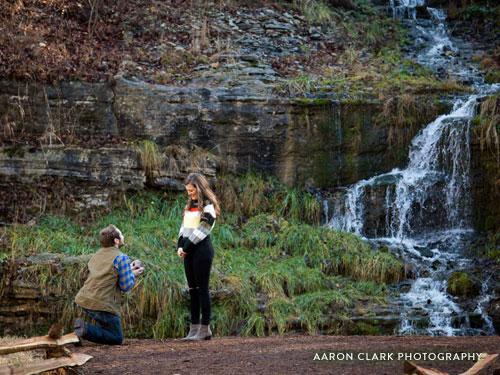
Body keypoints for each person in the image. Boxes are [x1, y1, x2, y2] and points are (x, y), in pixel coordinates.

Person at [73, 224, 144, 345]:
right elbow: (125, 286)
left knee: (107, 327)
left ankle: (81, 331)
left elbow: (107, 275)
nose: (123, 235)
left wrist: (129, 270)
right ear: (116, 240)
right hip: (102, 302)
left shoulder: (96, 255)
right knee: (116, 337)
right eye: (121, 234)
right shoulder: (121, 258)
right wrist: (133, 274)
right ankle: (85, 330)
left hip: (84, 298)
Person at [177, 173, 220, 341]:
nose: (190, 194)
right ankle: (193, 329)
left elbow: (203, 229)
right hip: (189, 251)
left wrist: (186, 247)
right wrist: (180, 246)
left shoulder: (208, 207)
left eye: (192, 191)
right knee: (192, 290)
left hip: (202, 251)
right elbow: (184, 228)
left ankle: (204, 329)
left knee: (202, 289)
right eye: (188, 191)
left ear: (199, 188)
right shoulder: (190, 206)